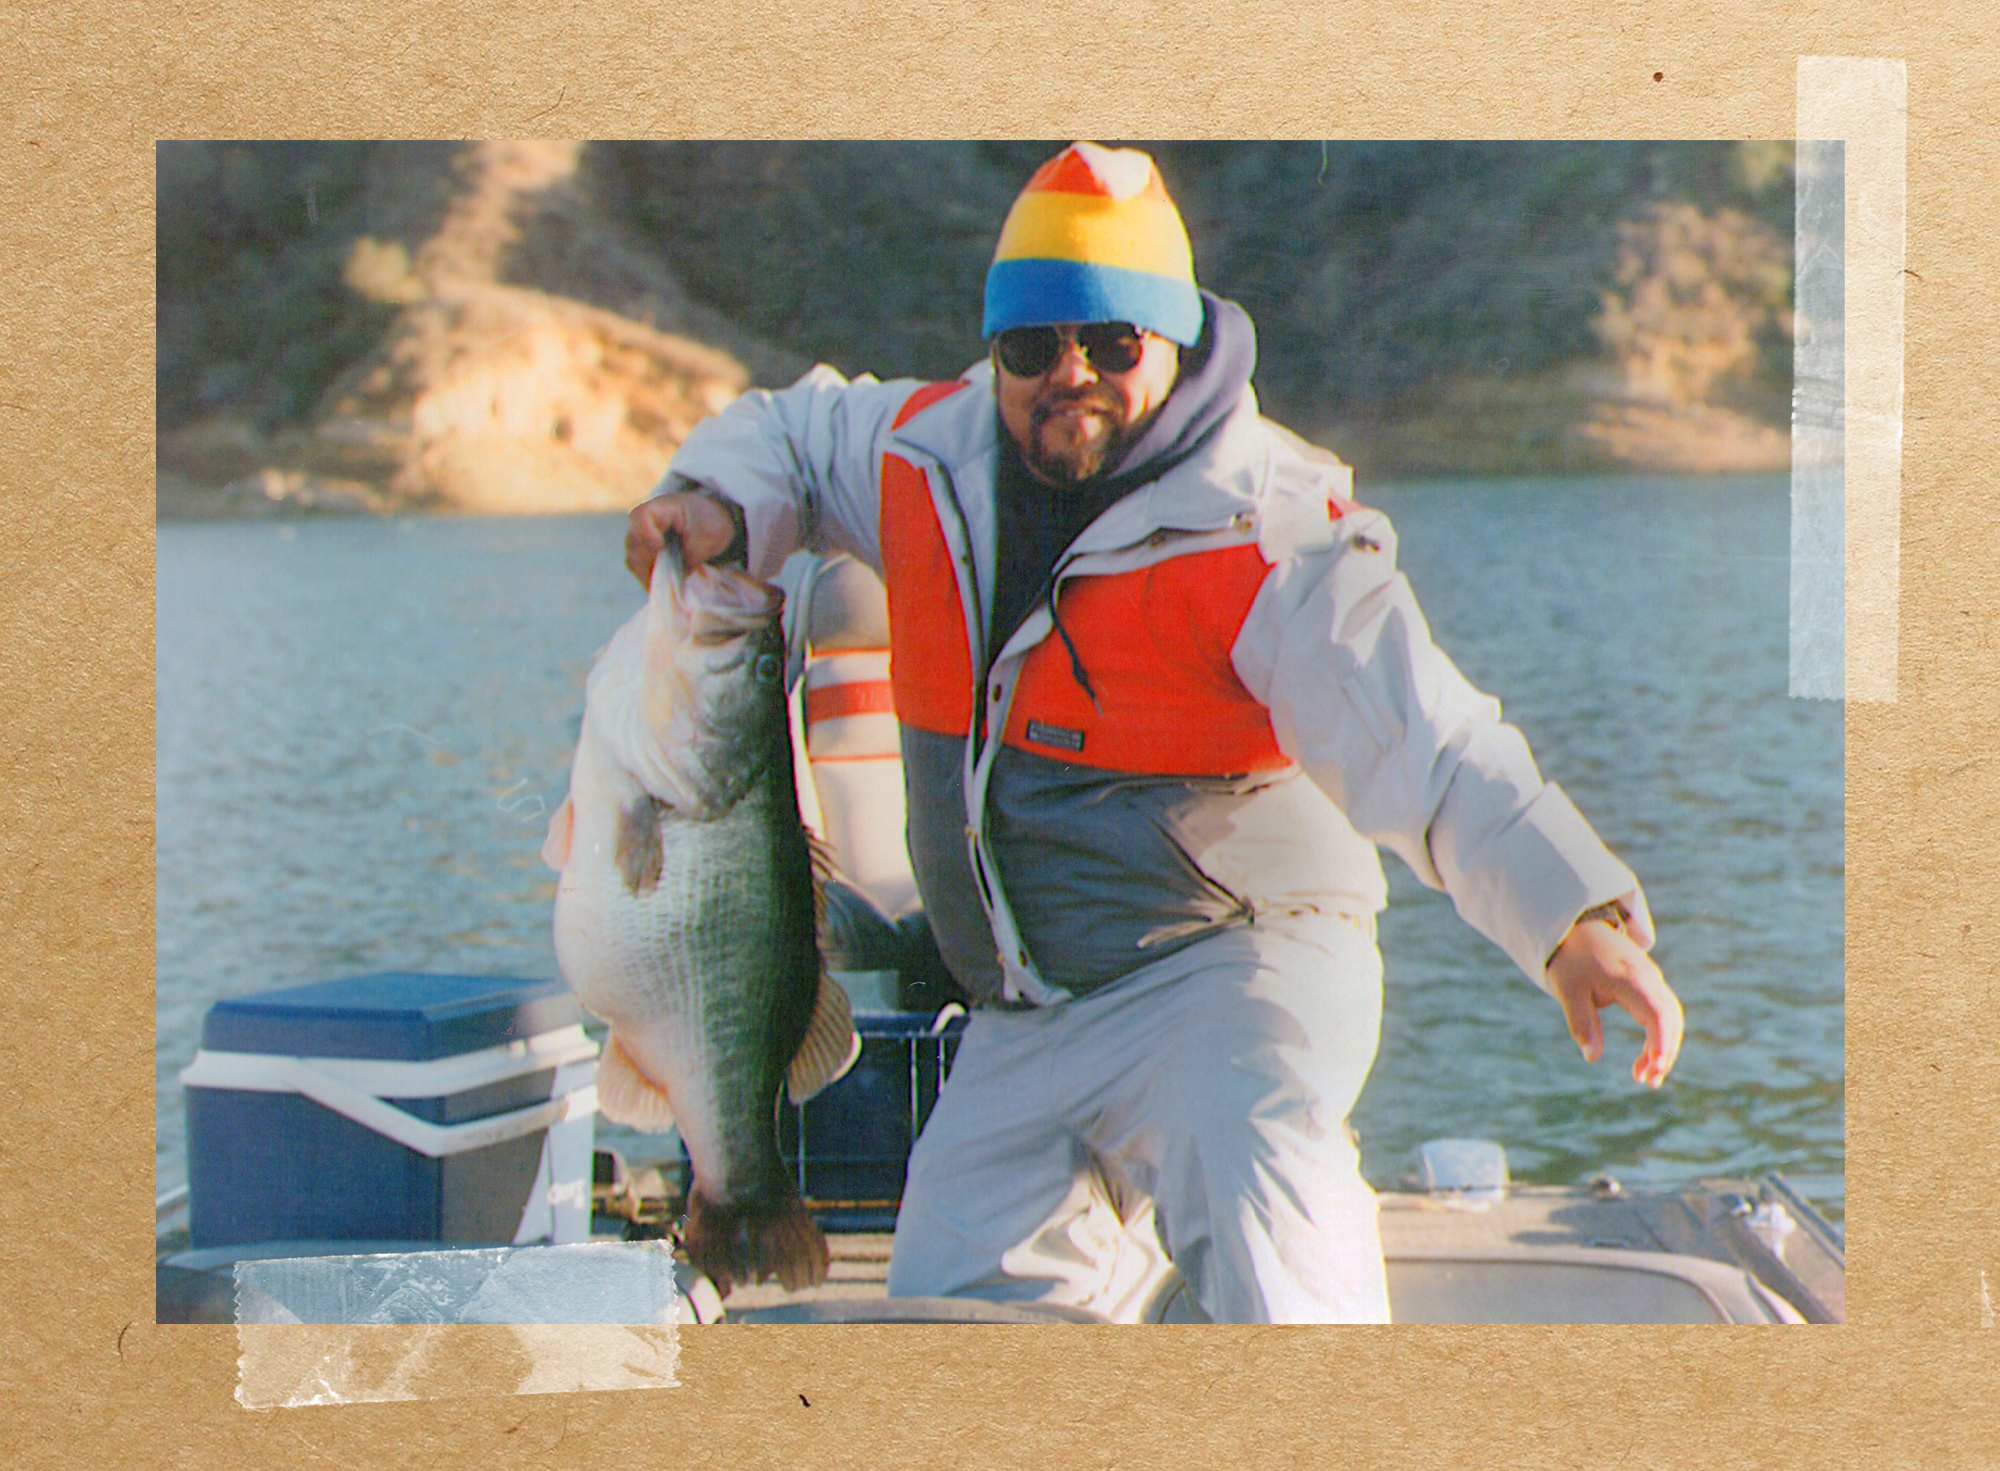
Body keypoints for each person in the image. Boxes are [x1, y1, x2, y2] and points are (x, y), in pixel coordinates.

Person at [623, 142, 1684, 1323]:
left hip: (1233, 962)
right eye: (1030, 347)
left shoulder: (1271, 526)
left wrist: (1569, 919)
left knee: (1263, 1203)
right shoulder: (920, 457)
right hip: (1027, 1011)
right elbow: (785, 432)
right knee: (945, 1332)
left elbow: (1429, 741)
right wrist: (713, 501)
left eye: (1112, 343)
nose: (1067, 374)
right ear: (993, 352)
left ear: (1172, 343)